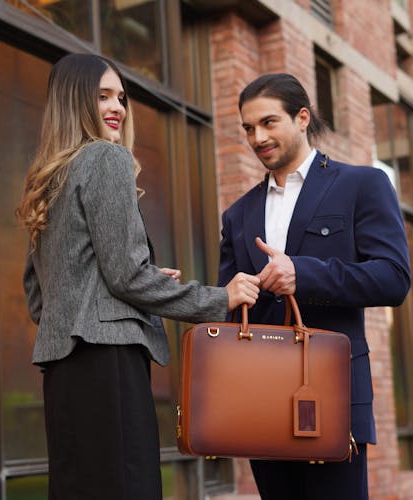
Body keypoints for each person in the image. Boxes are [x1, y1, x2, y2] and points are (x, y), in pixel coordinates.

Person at [16, 53, 260, 500]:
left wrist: (121, 287)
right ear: (75, 102)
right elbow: (126, 276)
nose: (118, 108)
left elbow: (40, 296)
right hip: (109, 365)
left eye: (121, 98)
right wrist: (220, 299)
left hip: (63, 373)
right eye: (103, 96)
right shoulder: (106, 159)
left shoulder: (48, 181)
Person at [217, 73, 411, 499]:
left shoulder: (362, 184)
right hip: (261, 399)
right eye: (248, 128)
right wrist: (234, 292)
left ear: (302, 117)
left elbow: (394, 278)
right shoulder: (237, 214)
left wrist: (303, 273)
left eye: (269, 122)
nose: (257, 137)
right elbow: (227, 313)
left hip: (332, 394)